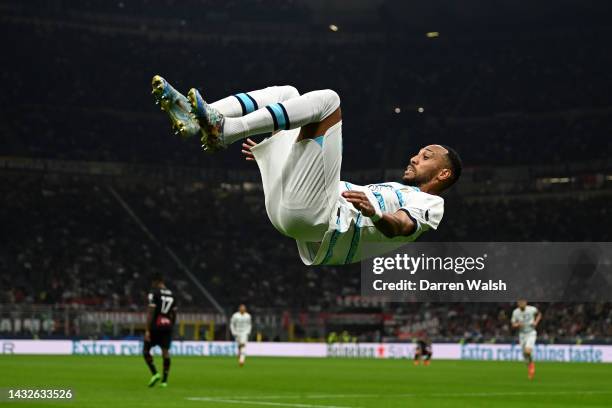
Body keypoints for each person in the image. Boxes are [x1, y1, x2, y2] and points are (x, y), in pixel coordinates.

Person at [152, 76, 462, 265]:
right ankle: (203, 118)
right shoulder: (398, 191)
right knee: (288, 94)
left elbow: (402, 226)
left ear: (443, 174)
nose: (414, 157)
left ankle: (227, 129)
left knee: (329, 102)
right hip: (294, 210)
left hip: (316, 218)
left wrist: (376, 215)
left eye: (426, 156)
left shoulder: (431, 204)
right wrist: (275, 152)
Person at [143, 273, 177, 387]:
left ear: (157, 281)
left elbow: (151, 312)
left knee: (146, 350)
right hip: (167, 326)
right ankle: (164, 381)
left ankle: (155, 373)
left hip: (156, 325)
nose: (152, 285)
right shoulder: (172, 294)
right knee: (165, 352)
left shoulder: (154, 293)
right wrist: (172, 326)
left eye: (153, 282)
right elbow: (174, 313)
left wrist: (147, 329)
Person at [511, 299, 542, 380]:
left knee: (527, 351)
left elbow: (539, 314)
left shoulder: (532, 309)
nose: (521, 303)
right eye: (519, 302)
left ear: (526, 302)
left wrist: (536, 322)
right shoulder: (515, 312)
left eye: (523, 302)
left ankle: (532, 366)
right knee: (525, 355)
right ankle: (530, 366)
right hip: (522, 335)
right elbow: (513, 324)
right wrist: (517, 325)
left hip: (531, 333)